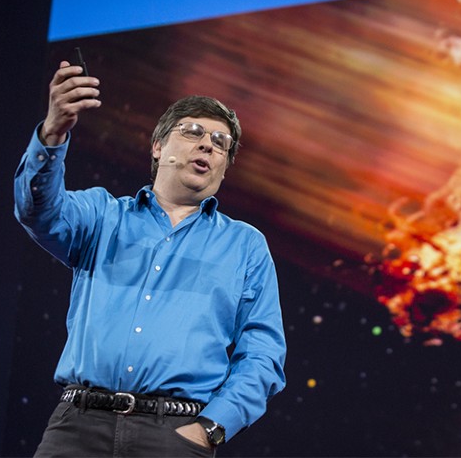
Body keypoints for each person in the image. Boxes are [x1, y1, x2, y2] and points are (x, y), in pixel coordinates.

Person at [14, 60, 287, 457]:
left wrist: (212, 427)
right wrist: (52, 132)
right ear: (158, 146)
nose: (207, 144)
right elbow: (37, 210)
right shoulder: (102, 216)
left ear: (225, 167)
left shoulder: (245, 246)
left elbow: (262, 352)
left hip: (174, 437)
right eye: (192, 132)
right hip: (78, 429)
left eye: (220, 142)